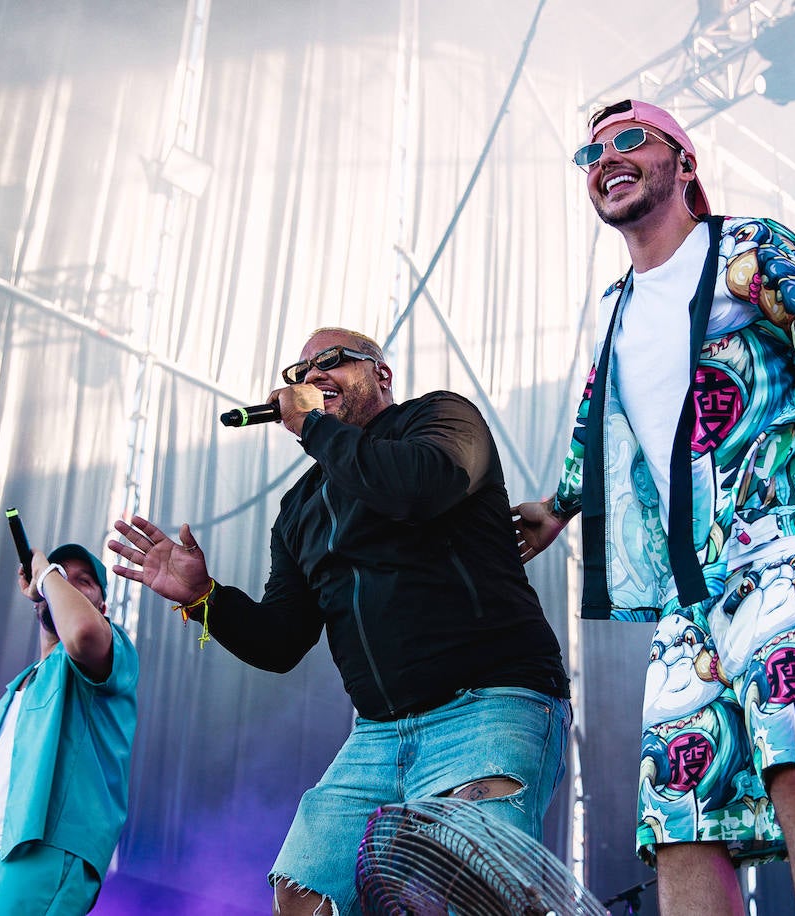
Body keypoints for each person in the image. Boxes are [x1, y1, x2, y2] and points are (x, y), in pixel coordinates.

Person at [512, 99, 795, 915]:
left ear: (685, 164)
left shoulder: (749, 249)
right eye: (590, 155)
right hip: (691, 581)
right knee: (680, 813)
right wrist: (563, 504)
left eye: (630, 141)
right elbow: (605, 418)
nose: (607, 159)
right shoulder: (614, 307)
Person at [109, 327, 571, 916]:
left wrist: (313, 427)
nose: (309, 378)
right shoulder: (300, 507)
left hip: (488, 704)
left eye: (331, 362)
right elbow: (280, 641)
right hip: (378, 733)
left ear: (382, 374)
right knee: (303, 894)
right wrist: (204, 596)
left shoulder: (442, 420)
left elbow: (419, 488)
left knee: (461, 887)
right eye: (297, 374)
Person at [0, 542, 138, 915]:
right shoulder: (14, 692)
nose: (63, 584)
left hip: (44, 850)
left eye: (82, 581)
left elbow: (84, 633)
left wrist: (44, 568)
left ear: (102, 607)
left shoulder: (109, 647)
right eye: (59, 576)